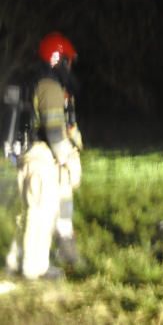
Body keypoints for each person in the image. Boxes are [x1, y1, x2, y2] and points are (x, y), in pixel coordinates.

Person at [5, 32, 83, 280]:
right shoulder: (50, 86)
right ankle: (34, 268)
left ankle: (15, 261)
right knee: (41, 213)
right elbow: (53, 130)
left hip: (29, 158)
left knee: (29, 212)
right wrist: (69, 161)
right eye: (68, 61)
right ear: (60, 60)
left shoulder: (34, 82)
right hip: (41, 159)